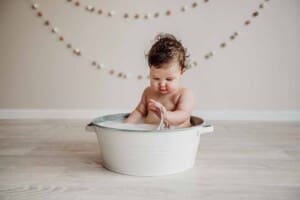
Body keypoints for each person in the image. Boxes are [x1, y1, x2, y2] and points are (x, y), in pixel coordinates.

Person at [125, 33, 194, 128]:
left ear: (181, 72)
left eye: (169, 79)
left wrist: (166, 115)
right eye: (156, 78)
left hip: (175, 136)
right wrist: (126, 125)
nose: (162, 84)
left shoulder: (184, 94)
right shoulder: (148, 92)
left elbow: (183, 115)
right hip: (149, 134)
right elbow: (139, 112)